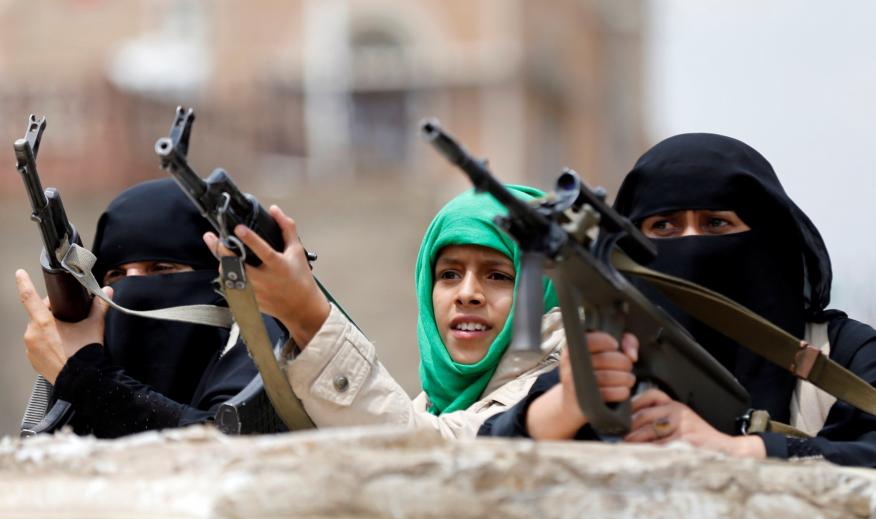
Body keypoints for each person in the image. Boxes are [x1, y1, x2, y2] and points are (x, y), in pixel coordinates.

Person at [481, 133, 876, 467]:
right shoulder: (617, 351)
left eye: (716, 223)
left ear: (769, 239)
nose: (690, 244)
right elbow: (486, 461)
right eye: (663, 226)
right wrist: (567, 405)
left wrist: (740, 448)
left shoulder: (843, 356)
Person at [205, 185, 634, 438]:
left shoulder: (565, 392)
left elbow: (438, 458)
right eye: (448, 275)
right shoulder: (431, 403)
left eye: (499, 276)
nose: (467, 294)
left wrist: (307, 316)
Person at [15, 178, 283, 438]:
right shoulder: (96, 354)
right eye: (116, 275)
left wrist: (86, 379)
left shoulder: (257, 339)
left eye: (162, 269)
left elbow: (228, 445)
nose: (133, 287)